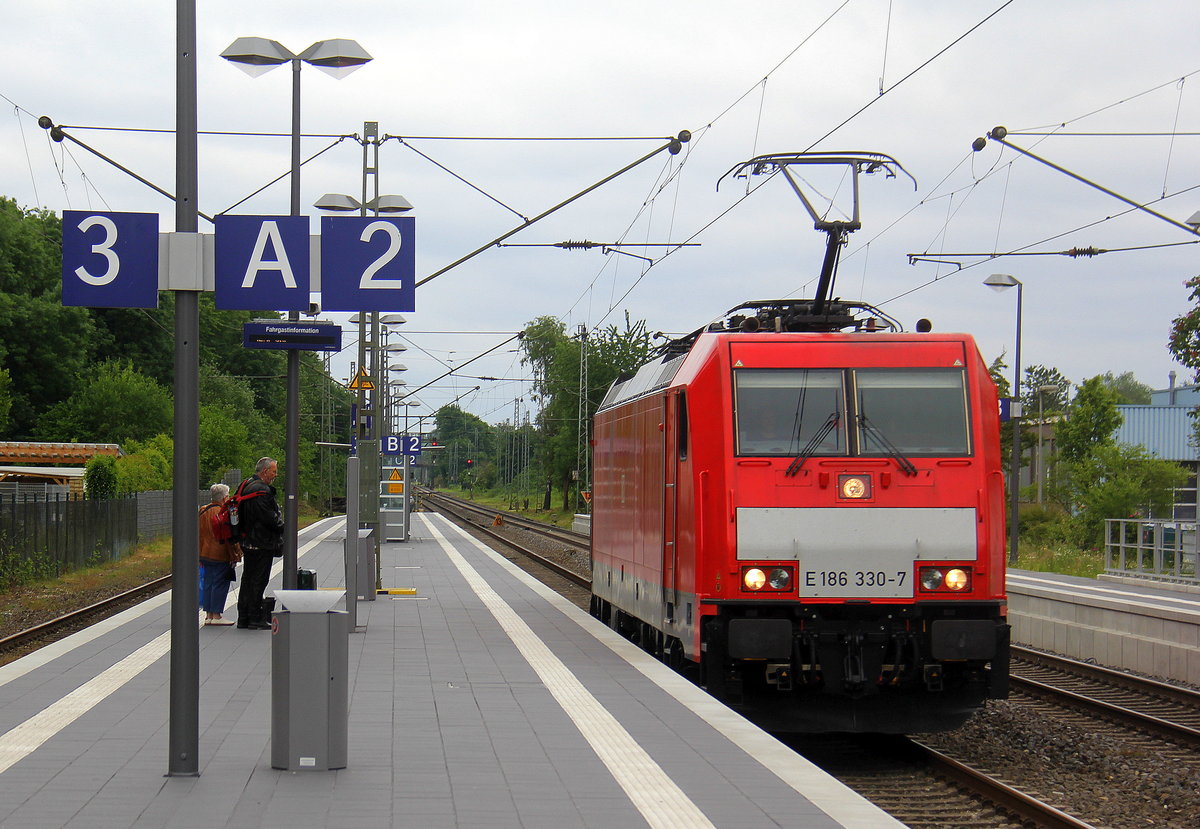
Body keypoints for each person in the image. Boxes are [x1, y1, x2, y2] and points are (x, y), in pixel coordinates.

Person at [235, 457, 284, 630]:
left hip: (248, 540)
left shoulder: (246, 484)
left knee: (248, 579)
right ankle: (255, 617)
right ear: (265, 471)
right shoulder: (262, 491)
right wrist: (283, 526)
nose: (275, 475)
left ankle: (243, 617)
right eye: (274, 471)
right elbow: (268, 518)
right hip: (261, 542)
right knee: (258, 580)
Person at [198, 483, 241, 625]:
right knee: (220, 584)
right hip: (220, 554)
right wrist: (236, 553)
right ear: (224, 498)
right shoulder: (224, 513)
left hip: (204, 553)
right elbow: (230, 535)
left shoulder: (203, 511)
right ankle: (216, 616)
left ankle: (209, 615)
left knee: (208, 583)